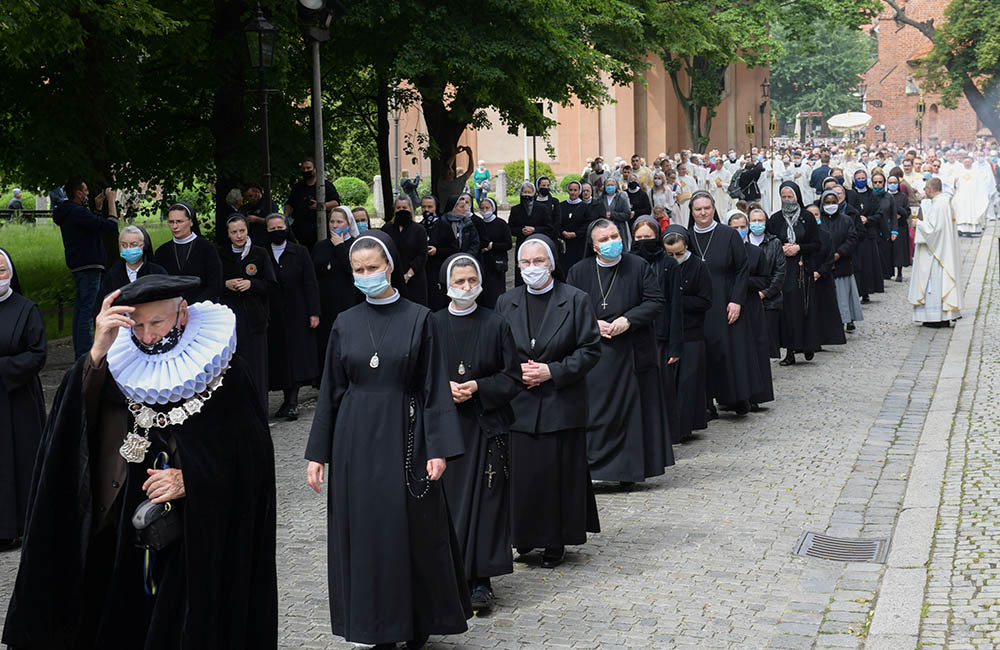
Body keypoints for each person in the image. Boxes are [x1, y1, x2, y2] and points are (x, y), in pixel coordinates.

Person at [3, 275, 277, 649]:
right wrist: (96, 354)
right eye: (139, 325)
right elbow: (74, 427)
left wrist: (191, 479)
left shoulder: (225, 369)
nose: (147, 336)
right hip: (117, 529)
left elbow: (254, 458)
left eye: (157, 323)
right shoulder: (115, 360)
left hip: (191, 535)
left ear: (181, 313)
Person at [305, 231, 472, 649]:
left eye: (373, 268)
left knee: (412, 530)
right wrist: (317, 454)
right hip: (354, 441)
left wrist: (439, 449)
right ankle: (373, 626)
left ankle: (415, 621)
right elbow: (330, 391)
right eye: (358, 270)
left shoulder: (421, 318)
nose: (366, 276)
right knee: (365, 534)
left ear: (391, 267)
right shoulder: (344, 323)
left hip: (406, 433)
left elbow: (434, 388)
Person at [495, 235, 601, 569]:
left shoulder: (576, 299)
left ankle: (556, 539)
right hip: (520, 403)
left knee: (559, 476)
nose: (531, 269)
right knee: (524, 476)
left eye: (538, 262)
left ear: (552, 263)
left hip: (560, 401)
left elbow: (589, 350)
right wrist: (516, 372)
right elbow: (497, 349)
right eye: (525, 263)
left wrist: (551, 371)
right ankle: (524, 537)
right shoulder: (506, 301)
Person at [431, 253, 521, 614]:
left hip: (485, 425)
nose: (466, 287)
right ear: (446, 285)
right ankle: (450, 577)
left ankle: (481, 580)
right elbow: (418, 376)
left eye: (471, 280)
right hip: (446, 427)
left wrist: (477, 387)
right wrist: (443, 389)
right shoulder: (431, 324)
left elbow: (512, 377)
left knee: (486, 503)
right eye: (459, 281)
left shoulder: (496, 324)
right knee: (447, 506)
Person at [567, 219, 671, 487]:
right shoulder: (579, 271)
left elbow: (655, 301)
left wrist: (628, 320)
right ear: (593, 246)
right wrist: (591, 322)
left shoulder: (638, 266)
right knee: (597, 415)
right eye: (603, 239)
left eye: (614, 236)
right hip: (595, 357)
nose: (611, 242)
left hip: (632, 353)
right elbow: (568, 308)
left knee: (630, 416)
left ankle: (628, 473)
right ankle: (594, 472)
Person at [686, 191, 753, 417]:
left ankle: (735, 397)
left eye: (707, 208)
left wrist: (736, 300)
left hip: (725, 299)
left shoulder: (728, 235)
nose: (703, 212)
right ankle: (706, 403)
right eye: (698, 209)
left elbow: (742, 269)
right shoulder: (686, 238)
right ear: (692, 212)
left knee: (728, 351)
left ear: (714, 209)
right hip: (698, 304)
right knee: (702, 353)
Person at [0, 248, 46, 550]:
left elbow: (37, 353)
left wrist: (2, 369)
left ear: (11, 273)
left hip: (17, 399)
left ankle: (19, 525)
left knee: (18, 460)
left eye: (1, 270)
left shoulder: (26, 308)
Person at [54, 178, 119, 357]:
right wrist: (111, 202)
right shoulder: (78, 212)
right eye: (85, 190)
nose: (88, 193)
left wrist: (98, 208)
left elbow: (91, 227)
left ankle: (81, 352)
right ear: (78, 193)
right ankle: (85, 354)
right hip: (89, 264)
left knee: (81, 310)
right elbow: (109, 226)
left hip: (79, 264)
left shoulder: (68, 212)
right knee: (87, 311)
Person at [263, 213, 319, 420]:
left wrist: (314, 312)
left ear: (286, 228)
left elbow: (310, 283)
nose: (277, 231)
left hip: (298, 311)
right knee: (281, 358)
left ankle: (293, 402)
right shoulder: (262, 254)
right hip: (274, 315)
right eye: (272, 228)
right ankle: (286, 401)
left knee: (297, 357)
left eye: (280, 227)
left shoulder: (300, 252)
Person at [221, 214, 277, 411]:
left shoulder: (259, 254)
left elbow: (271, 284)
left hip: (255, 320)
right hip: (231, 322)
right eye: (234, 232)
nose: (239, 236)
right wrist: (225, 284)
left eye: (242, 231)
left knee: (257, 368)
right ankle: (238, 411)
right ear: (228, 234)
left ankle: (260, 409)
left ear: (248, 231)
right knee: (234, 368)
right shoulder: (222, 255)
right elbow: (213, 284)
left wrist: (251, 284)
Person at [662, 226, 712, 441]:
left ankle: (683, 427)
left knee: (687, 382)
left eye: (679, 254)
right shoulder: (662, 267)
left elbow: (705, 300)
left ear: (687, 247)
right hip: (668, 332)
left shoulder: (698, 267)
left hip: (691, 331)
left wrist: (677, 300)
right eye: (670, 255)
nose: (675, 259)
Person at [767, 182, 820, 366]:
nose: (787, 200)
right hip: (784, 270)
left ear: (797, 197)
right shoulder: (775, 219)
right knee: (788, 311)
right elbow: (770, 241)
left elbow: (816, 243)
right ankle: (789, 351)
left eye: (790, 197)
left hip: (802, 268)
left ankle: (807, 344)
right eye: (784, 197)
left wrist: (799, 247)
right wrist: (781, 248)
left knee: (804, 308)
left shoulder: (806, 217)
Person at [728, 211, 773, 410]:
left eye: (742, 226)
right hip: (728, 305)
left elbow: (765, 279)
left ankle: (756, 394)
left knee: (755, 348)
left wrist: (741, 282)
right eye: (734, 227)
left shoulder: (756, 252)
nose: (739, 231)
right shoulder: (724, 252)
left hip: (751, 305)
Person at [312, 206, 362, 377]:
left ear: (348, 223)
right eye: (332, 222)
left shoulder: (356, 245)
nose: (335, 225)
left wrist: (340, 246)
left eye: (339, 222)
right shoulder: (320, 246)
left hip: (348, 300)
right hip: (326, 301)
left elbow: (353, 269)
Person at [910, 178, 963, 327]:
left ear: (929, 189)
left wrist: (918, 224)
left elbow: (933, 231)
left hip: (936, 253)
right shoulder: (944, 202)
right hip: (943, 249)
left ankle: (935, 318)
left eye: (925, 189)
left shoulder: (939, 204)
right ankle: (942, 316)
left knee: (934, 283)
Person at [153, 201, 224, 304]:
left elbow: (215, 285)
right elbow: (158, 284)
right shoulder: (162, 251)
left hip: (201, 308)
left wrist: (195, 306)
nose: (175, 226)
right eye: (171, 222)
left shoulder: (207, 248)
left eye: (179, 221)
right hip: (171, 309)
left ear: (191, 222)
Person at [819, 188, 864, 333]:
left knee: (844, 295)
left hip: (842, 263)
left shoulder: (846, 219)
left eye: (834, 202)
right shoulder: (819, 221)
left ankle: (846, 319)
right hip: (824, 264)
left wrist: (839, 254)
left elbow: (852, 239)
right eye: (827, 202)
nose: (831, 205)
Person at [746, 206, 785, 357]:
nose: (757, 223)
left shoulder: (774, 243)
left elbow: (780, 271)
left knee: (767, 340)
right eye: (753, 220)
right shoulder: (742, 242)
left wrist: (765, 293)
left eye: (760, 220)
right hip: (746, 297)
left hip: (770, 300)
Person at [283, 157, 341, 251]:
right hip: (300, 229)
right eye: (304, 168)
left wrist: (320, 206)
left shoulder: (325, 185)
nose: (306, 171)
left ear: (315, 169)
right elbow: (290, 203)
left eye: (308, 168)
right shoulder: (298, 187)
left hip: (319, 229)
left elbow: (336, 203)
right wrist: (284, 216)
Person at [99, 225, 167, 303]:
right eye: (124, 245)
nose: (128, 249)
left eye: (134, 245)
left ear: (143, 245)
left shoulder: (157, 273)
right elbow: (101, 304)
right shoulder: (113, 274)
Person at [383, 196, 430, 306]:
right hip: (393, 278)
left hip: (415, 277)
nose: (401, 210)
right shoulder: (386, 229)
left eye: (404, 207)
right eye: (398, 208)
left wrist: (409, 274)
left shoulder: (419, 229)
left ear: (410, 209)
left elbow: (422, 254)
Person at [508, 182, 557, 285]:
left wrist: (535, 229)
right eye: (524, 192)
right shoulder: (515, 209)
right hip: (522, 243)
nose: (527, 194)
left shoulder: (542, 208)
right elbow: (510, 228)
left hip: (538, 243)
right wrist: (521, 231)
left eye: (529, 192)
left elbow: (549, 227)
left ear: (533, 193)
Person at [423, 194, 458, 309]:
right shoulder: (419, 227)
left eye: (430, 207)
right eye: (424, 207)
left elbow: (453, 249)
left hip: (439, 271)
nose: (426, 210)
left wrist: (437, 251)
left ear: (436, 208)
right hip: (424, 272)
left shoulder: (444, 226)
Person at [477, 197, 512, 309]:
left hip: (497, 263)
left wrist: (493, 246)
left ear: (493, 208)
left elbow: (508, 244)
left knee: (496, 290)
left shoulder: (501, 224)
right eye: (482, 208)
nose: (485, 210)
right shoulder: (479, 224)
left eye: (487, 207)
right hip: (483, 262)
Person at [880, 173, 912, 282]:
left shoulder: (902, 196)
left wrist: (898, 211)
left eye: (894, 183)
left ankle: (899, 272)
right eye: (890, 183)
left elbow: (907, 211)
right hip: (887, 225)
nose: (892, 185)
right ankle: (888, 272)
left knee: (899, 251)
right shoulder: (885, 196)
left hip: (900, 225)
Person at [952, 156, 990, 236]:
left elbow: (981, 185)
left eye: (969, 162)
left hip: (973, 197)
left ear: (972, 162)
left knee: (972, 211)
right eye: (965, 162)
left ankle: (973, 230)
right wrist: (954, 182)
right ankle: (961, 229)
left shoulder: (976, 172)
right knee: (962, 211)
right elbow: (954, 184)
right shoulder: (959, 172)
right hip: (961, 196)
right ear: (963, 162)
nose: (967, 163)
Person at [559, 180, 592, 269]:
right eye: (571, 190)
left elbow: (587, 223)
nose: (573, 192)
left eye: (575, 190)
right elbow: (557, 221)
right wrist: (562, 232)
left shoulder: (584, 207)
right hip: (564, 242)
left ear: (579, 191)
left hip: (578, 242)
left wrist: (576, 233)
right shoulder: (561, 205)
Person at [599, 177, 634, 248]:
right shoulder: (600, 199)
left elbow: (627, 214)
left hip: (620, 228)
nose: (610, 187)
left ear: (616, 186)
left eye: (612, 185)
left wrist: (612, 214)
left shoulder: (621, 198)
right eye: (608, 185)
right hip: (604, 228)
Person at [444, 193, 481, 258]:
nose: (465, 209)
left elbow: (475, 243)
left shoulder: (468, 222)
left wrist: (467, 257)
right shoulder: (443, 223)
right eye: (462, 207)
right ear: (453, 208)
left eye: (465, 206)